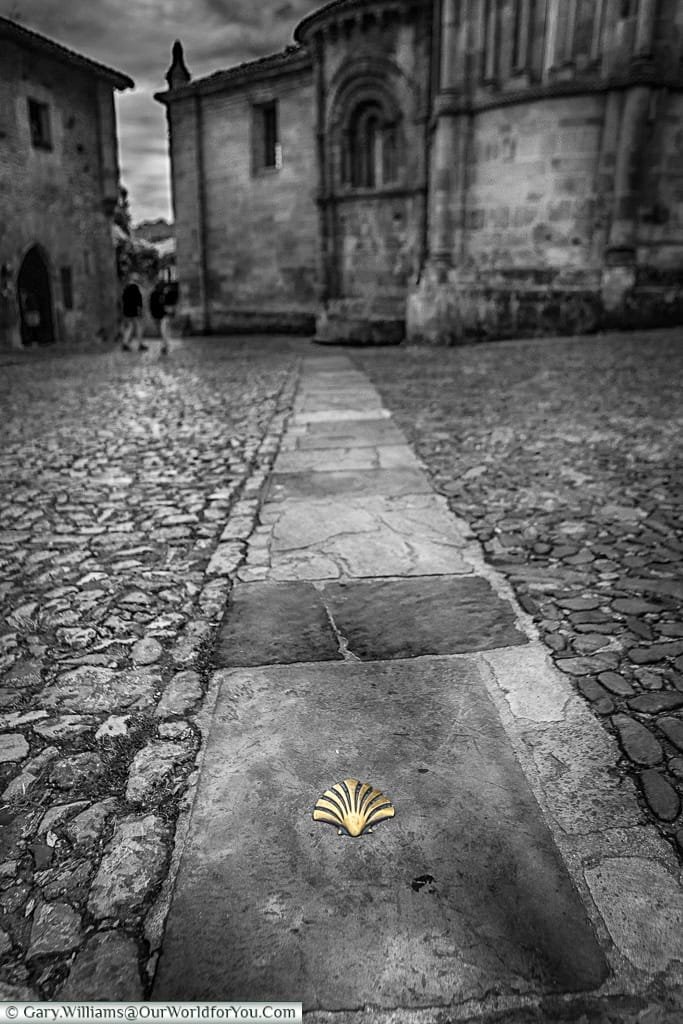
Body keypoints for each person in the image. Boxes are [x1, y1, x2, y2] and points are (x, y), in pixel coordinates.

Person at [121, 279, 146, 352]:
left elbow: (123, 300)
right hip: (134, 312)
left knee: (130, 327)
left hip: (127, 311)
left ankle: (125, 343)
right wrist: (140, 311)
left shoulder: (125, 289)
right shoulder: (135, 288)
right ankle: (140, 344)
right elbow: (139, 300)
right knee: (139, 327)